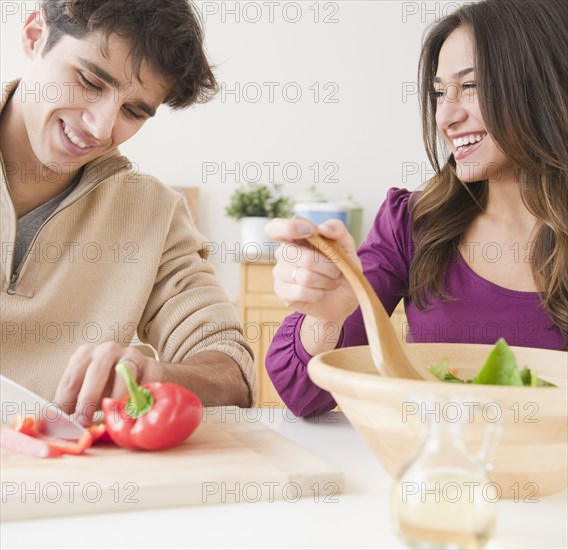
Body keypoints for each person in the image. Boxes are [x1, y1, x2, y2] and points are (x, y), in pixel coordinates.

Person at [264, 0, 568, 417]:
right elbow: (305, 396)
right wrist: (326, 315)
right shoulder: (412, 223)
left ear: (543, 84)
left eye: (472, 85)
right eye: (440, 92)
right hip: (442, 476)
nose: (446, 115)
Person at [0, 0, 256, 423]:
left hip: (75, 479)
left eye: (133, 111)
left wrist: (158, 377)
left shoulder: (153, 214)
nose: (100, 128)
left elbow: (233, 371)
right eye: (88, 81)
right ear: (34, 36)